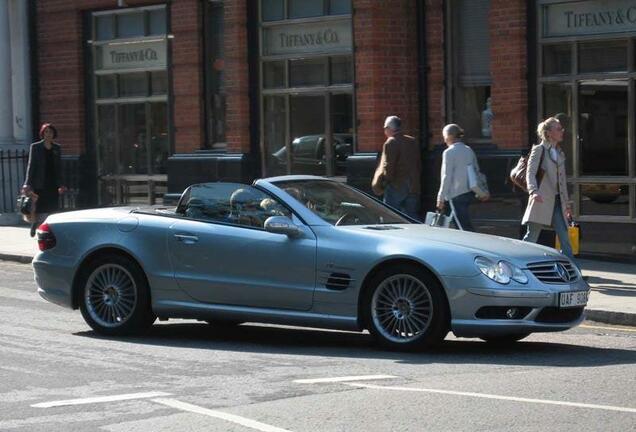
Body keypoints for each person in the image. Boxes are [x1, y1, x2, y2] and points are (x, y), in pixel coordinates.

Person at [522, 117, 576, 263]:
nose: (562, 131)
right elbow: (530, 173)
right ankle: (518, 265)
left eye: (561, 129)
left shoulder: (559, 153)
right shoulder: (539, 150)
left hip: (558, 201)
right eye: (559, 129)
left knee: (564, 237)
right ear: (549, 133)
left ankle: (574, 271)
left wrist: (567, 205)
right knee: (531, 237)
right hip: (541, 200)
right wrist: (533, 192)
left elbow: (562, 182)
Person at [436, 124, 486, 232]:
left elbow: (446, 176)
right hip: (469, 191)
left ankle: (474, 245)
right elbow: (476, 171)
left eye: (444, 137)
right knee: (457, 223)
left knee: (464, 228)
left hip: (455, 194)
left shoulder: (448, 152)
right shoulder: (468, 150)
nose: (444, 140)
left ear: (449, 136)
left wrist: (440, 197)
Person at [22, 123, 66, 237]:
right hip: (40, 182)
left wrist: (61, 184)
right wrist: (27, 183)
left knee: (52, 207)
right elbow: (31, 166)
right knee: (40, 207)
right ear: (42, 133)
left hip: (53, 181)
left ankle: (50, 229)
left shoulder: (57, 148)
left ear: (53, 134)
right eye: (46, 132)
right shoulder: (35, 147)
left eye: (50, 132)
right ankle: (35, 223)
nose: (48, 134)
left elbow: (59, 167)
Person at [378, 115, 421, 219]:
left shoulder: (391, 142)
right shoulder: (412, 141)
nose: (384, 131)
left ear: (389, 128)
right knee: (411, 216)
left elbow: (389, 166)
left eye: (385, 128)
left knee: (389, 215)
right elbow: (418, 163)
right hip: (414, 184)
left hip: (397, 184)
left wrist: (385, 182)